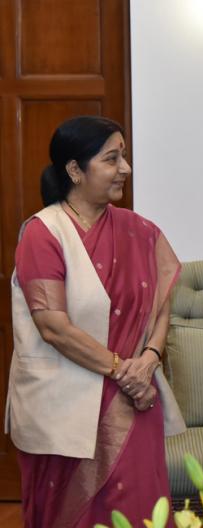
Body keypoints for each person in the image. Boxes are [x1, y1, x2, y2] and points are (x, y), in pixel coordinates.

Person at [5, 116, 186, 527]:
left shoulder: (140, 231)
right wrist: (123, 370)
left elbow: (161, 305)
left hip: (133, 399)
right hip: (64, 405)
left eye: (124, 156)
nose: (125, 168)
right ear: (75, 169)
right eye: (112, 159)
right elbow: (53, 326)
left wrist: (150, 357)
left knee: (138, 509)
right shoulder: (43, 234)